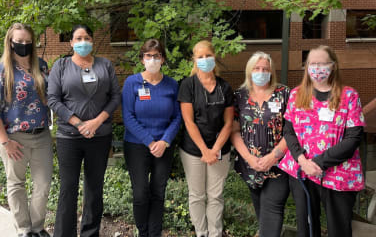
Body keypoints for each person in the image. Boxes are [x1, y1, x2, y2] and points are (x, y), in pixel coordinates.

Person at [278, 45, 365, 237]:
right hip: (302, 171)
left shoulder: (349, 96)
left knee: (339, 229)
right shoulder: (296, 95)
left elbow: (353, 138)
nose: (317, 68)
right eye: (313, 64)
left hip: (338, 174)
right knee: (307, 228)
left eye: (322, 63)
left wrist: (317, 163)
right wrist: (302, 161)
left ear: (333, 66)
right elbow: (289, 131)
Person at [47, 24, 121, 237]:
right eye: (78, 38)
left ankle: (90, 233)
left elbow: (115, 96)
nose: (82, 42)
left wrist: (97, 122)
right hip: (69, 137)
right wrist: (78, 123)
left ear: (92, 41)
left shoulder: (104, 65)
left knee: (94, 188)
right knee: (68, 188)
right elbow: (53, 99)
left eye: (86, 38)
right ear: (71, 43)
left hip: (100, 135)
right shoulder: (60, 66)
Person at [0, 23, 52, 237]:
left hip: (42, 134)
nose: (23, 45)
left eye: (28, 41)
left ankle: (37, 226)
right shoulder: (0, 71)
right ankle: (24, 229)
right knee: (16, 183)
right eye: (19, 41)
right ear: (10, 42)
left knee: (43, 184)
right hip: (13, 137)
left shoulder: (41, 65)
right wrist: (5, 140)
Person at [122, 39, 182, 236]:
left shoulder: (172, 85)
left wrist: (164, 141)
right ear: (142, 59)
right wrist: (149, 141)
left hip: (164, 146)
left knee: (158, 192)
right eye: (148, 56)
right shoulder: (132, 82)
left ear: (163, 59)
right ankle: (143, 232)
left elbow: (177, 116)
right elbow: (128, 116)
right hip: (137, 145)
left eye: (157, 56)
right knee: (140, 194)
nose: (153, 59)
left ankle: (154, 233)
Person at [177, 40, 234, 237]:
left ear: (214, 57)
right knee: (197, 196)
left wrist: (215, 149)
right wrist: (205, 150)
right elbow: (189, 122)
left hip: (219, 150)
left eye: (208, 55)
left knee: (216, 196)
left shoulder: (224, 87)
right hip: (193, 151)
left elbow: (229, 123)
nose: (204, 60)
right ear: (194, 59)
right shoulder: (187, 85)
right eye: (200, 57)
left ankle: (215, 234)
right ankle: (201, 233)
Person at [231, 52, 289, 237]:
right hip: (250, 166)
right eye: (257, 68)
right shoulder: (239, 96)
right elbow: (234, 130)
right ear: (249, 71)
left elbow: (292, 131)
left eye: (265, 69)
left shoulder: (285, 94)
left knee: (271, 210)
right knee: (261, 213)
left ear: (271, 71)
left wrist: (273, 157)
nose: (261, 72)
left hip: (279, 166)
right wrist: (250, 159)